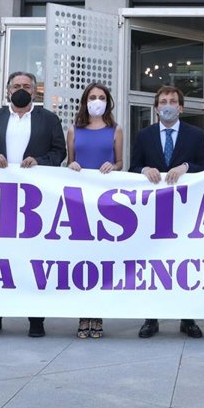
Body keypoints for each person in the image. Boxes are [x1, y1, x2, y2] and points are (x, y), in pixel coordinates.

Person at [0, 71, 67, 337]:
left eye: (26, 86)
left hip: (34, 202)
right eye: (16, 86)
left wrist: (40, 161)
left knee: (33, 258)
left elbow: (59, 152)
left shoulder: (49, 119)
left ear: (35, 90)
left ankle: (36, 320)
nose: (21, 90)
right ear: (8, 90)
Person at [130, 85, 204, 339]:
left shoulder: (195, 135)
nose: (168, 105)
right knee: (153, 263)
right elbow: (133, 167)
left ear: (181, 107)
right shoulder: (144, 135)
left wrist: (186, 167)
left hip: (186, 212)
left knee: (186, 263)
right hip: (153, 212)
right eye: (163, 101)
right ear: (156, 108)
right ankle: (151, 318)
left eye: (172, 101)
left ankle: (187, 319)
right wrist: (144, 170)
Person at [66, 82, 123, 339]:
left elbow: (120, 162)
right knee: (80, 259)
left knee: (101, 259)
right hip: (80, 202)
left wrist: (114, 166)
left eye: (101, 97)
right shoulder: (73, 130)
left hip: (105, 203)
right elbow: (69, 162)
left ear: (107, 101)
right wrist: (72, 165)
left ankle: (97, 314)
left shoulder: (116, 129)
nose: (96, 101)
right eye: (92, 97)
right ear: (85, 101)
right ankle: (83, 314)